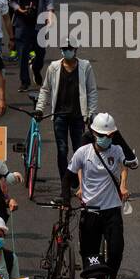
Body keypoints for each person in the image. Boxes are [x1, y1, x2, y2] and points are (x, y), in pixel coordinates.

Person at [68, 113, 129, 279]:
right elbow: (72, 172)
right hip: (91, 212)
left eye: (109, 136)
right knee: (91, 258)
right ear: (94, 134)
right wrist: (75, 192)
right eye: (102, 135)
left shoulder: (117, 150)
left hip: (112, 211)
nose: (105, 139)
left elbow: (130, 163)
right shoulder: (83, 152)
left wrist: (123, 186)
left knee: (116, 252)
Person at [35, 43, 97, 180]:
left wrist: (91, 113)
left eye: (70, 48)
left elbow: (91, 91)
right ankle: (65, 182)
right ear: (61, 50)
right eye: (64, 49)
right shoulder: (54, 67)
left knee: (78, 150)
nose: (67, 51)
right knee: (62, 151)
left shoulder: (85, 66)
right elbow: (45, 89)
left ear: (75, 50)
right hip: (59, 116)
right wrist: (40, 108)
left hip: (78, 116)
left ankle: (77, 179)